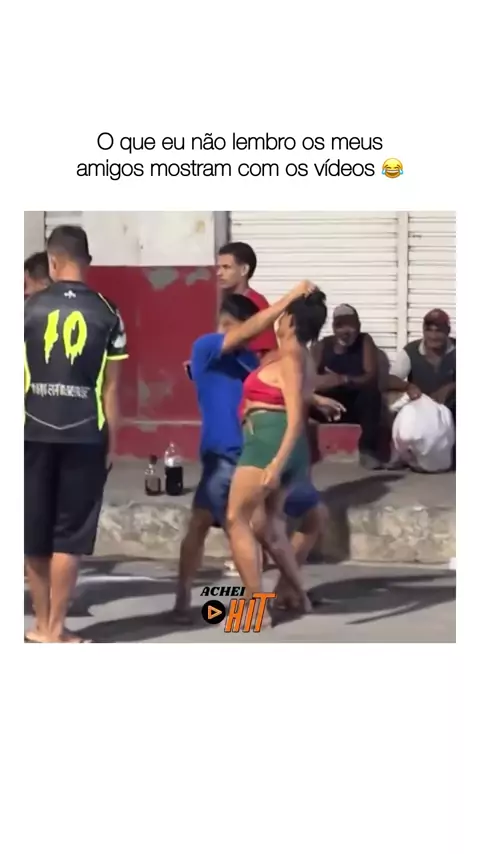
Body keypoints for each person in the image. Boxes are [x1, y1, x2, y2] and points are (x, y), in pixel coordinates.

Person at [173, 286, 340, 622]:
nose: (256, 335)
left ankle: (284, 593)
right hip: (225, 456)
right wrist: (287, 300)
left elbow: (276, 387)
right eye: (250, 328)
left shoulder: (253, 361)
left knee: (305, 516)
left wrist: (312, 398)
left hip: (261, 450)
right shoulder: (206, 349)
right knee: (206, 522)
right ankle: (184, 599)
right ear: (229, 325)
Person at [24, 225, 128, 643]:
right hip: (85, 433)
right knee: (69, 536)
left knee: (33, 533)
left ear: (52, 261)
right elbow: (112, 389)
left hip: (30, 431)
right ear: (88, 261)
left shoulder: (27, 308)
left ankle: (40, 624)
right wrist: (112, 443)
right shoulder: (109, 312)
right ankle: (57, 628)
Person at [225, 289, 329, 616]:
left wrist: (276, 463)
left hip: (270, 445)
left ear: (291, 321)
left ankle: (255, 608)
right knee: (269, 527)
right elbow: (291, 395)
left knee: (237, 519)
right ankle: (300, 597)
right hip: (276, 443)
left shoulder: (292, 357)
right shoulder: (296, 356)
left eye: (282, 315)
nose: (277, 320)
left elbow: (296, 417)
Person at [311, 303, 383, 469]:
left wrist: (344, 379)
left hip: (354, 406)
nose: (345, 331)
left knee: (371, 394)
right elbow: (309, 379)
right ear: (333, 328)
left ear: (358, 327)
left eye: (350, 325)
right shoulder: (322, 346)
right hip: (328, 407)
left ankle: (367, 451)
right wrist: (324, 382)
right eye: (340, 326)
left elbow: (371, 376)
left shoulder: (365, 341)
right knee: (296, 396)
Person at [388, 308, 456, 469]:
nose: (433, 336)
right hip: (421, 405)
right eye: (429, 330)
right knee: (390, 401)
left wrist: (452, 387)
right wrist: (408, 386)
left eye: (439, 330)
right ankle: (398, 453)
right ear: (423, 331)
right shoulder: (411, 351)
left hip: (450, 406)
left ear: (447, 331)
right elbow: (390, 379)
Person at [217, 240, 277, 353]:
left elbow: (266, 352)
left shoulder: (257, 303)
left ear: (244, 270)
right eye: (218, 267)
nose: (219, 273)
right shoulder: (224, 301)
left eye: (226, 267)